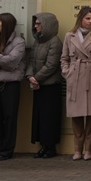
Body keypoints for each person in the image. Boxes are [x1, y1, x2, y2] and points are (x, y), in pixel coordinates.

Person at [62, 7, 91, 161]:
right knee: (76, 115)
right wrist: (67, 72)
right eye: (87, 18)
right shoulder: (70, 35)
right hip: (75, 77)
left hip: (90, 77)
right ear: (80, 18)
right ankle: (77, 149)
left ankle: (89, 149)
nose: (90, 21)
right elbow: (64, 58)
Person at [26, 12, 64, 158]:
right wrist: (30, 76)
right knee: (40, 117)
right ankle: (42, 145)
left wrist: (36, 78)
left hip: (50, 86)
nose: (36, 26)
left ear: (47, 24)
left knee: (50, 117)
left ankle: (50, 147)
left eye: (39, 23)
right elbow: (31, 60)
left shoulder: (55, 42)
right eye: (35, 23)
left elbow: (51, 65)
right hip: (38, 85)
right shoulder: (37, 41)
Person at [0, 12, 27, 160]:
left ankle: (7, 150)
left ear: (6, 24)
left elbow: (13, 61)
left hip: (11, 85)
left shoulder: (18, 42)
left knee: (9, 117)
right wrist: (2, 61)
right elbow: (6, 62)